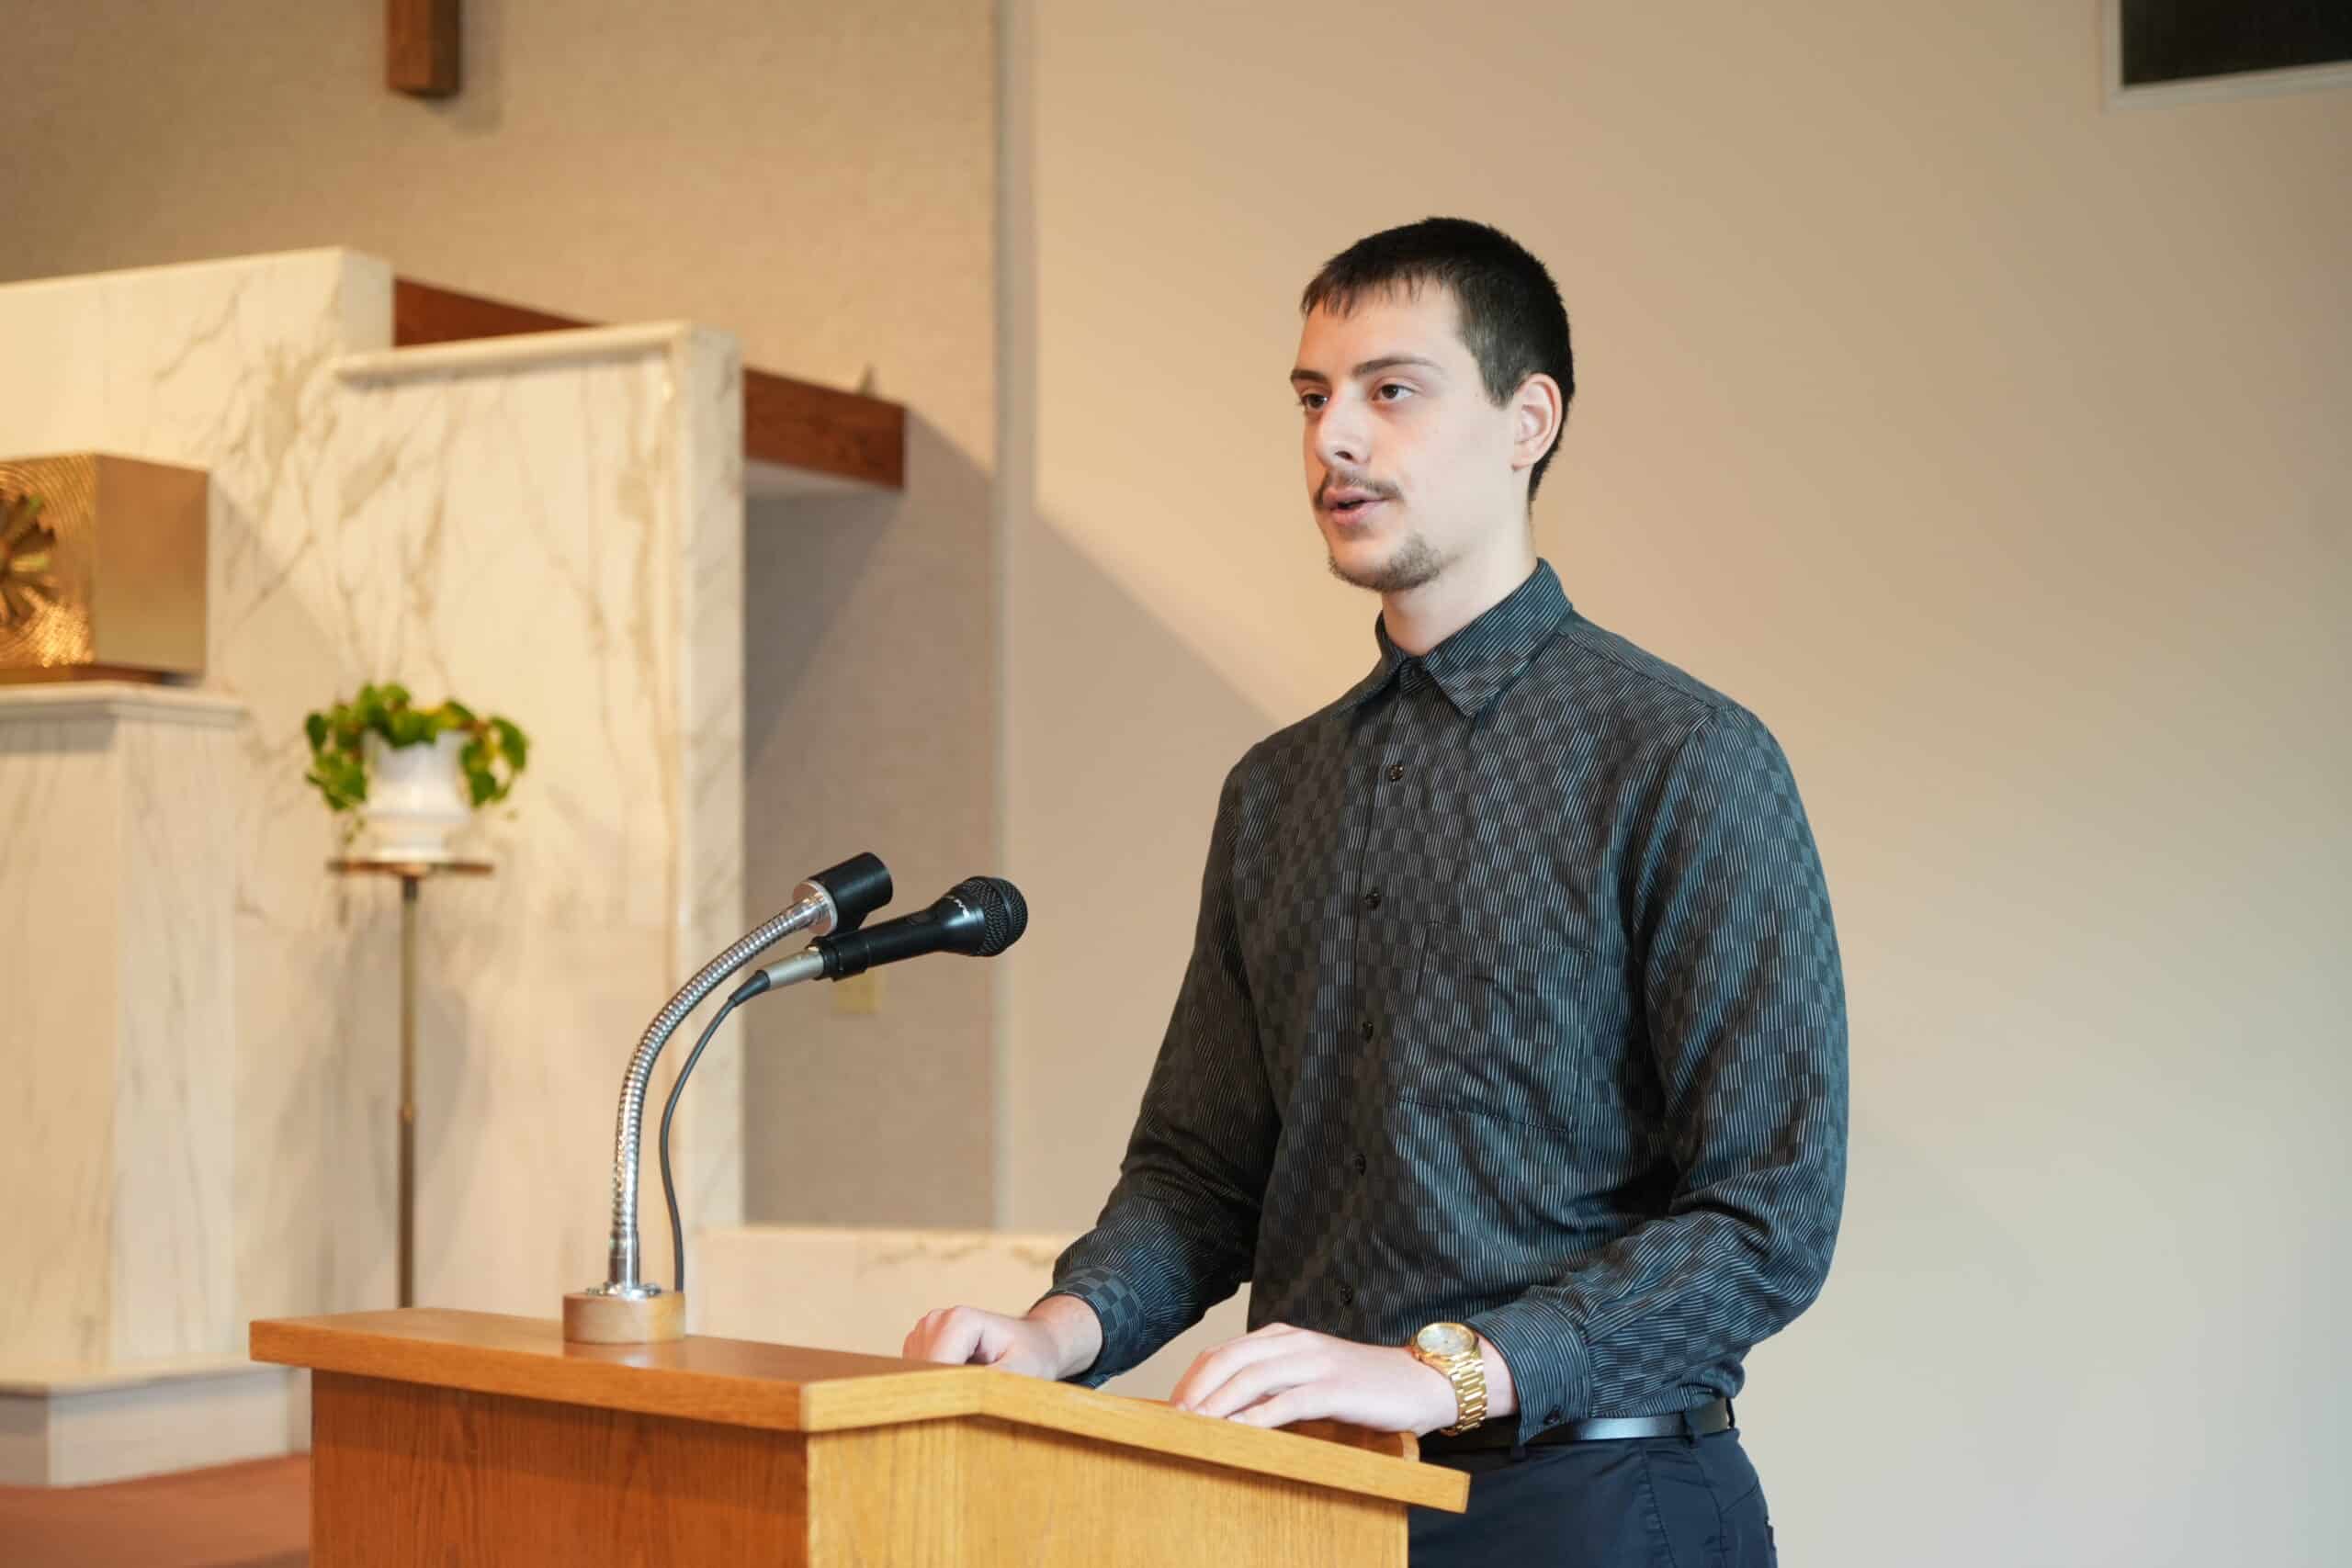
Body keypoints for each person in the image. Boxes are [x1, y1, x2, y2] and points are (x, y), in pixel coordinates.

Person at [905, 216, 1847, 1565]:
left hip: (1592, 1504)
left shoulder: (1685, 759)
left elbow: (1767, 1217)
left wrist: (1443, 1373)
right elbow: (1201, 1173)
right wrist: (1058, 1333)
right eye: (1312, 398)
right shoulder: (1275, 792)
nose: (1334, 438)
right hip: (1309, 1507)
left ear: (1528, 420)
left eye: (1390, 390)